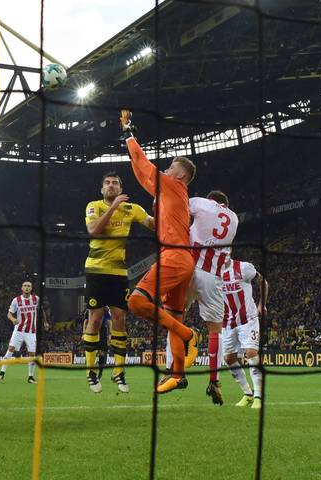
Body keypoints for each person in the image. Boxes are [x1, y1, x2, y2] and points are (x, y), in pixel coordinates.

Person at [120, 109, 200, 394]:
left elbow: (144, 168)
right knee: (173, 318)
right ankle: (178, 375)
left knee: (137, 303)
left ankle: (190, 336)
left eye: (170, 166)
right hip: (182, 259)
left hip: (174, 258)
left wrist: (129, 135)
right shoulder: (172, 196)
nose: (166, 168)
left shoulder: (173, 184)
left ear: (180, 173)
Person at [83, 171, 154, 393]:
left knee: (120, 318)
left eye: (115, 183)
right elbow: (94, 230)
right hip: (95, 269)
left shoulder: (132, 209)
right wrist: (113, 208)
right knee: (94, 319)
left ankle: (119, 372)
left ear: (121, 189)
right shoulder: (93, 206)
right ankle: (91, 373)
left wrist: (165, 207)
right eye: (107, 183)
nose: (111, 186)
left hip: (119, 272)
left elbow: (154, 224)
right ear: (102, 189)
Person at [188, 191, 239, 405]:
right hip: (212, 277)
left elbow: (179, 208)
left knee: (176, 316)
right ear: (225, 204)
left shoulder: (200, 203)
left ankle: (174, 372)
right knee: (215, 330)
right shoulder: (234, 218)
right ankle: (214, 380)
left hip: (189, 268)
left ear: (211, 199)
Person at [221, 258, 269, 410]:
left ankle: (258, 396)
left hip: (248, 319)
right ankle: (247, 394)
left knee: (251, 353)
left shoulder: (244, 268)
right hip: (227, 323)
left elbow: (263, 282)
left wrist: (262, 303)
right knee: (229, 359)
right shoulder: (212, 273)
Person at [0, 281, 49, 383]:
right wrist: (13, 319)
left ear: (31, 288)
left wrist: (45, 322)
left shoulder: (36, 299)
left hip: (31, 332)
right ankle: (1, 373)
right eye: (25, 286)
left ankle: (31, 377)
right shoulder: (16, 300)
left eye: (29, 286)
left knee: (32, 354)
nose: (27, 287)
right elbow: (9, 314)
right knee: (10, 349)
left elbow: (41, 310)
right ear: (22, 288)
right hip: (19, 330)